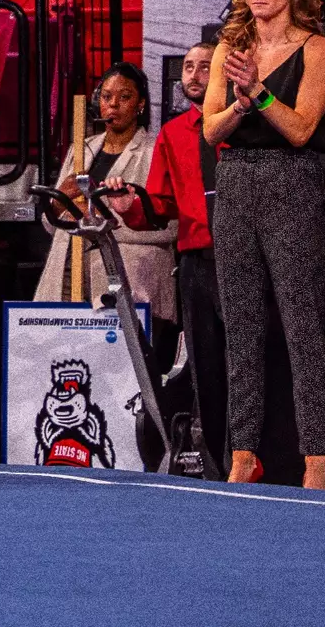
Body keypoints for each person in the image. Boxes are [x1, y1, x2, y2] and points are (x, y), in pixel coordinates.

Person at [202, 0, 325, 490]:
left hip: (291, 181)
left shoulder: (317, 49)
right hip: (235, 181)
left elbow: (302, 129)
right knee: (241, 325)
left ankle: (316, 460)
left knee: (302, 324)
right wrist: (239, 102)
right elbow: (210, 130)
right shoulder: (228, 49)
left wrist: (258, 92)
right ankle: (243, 454)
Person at [106, 40, 228, 472]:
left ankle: (248, 459)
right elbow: (159, 206)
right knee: (204, 369)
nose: (193, 74)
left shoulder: (241, 126)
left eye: (204, 66)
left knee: (246, 365)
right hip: (195, 262)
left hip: (243, 257)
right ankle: (215, 464)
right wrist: (129, 206)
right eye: (188, 67)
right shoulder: (174, 134)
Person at [34, 64, 179, 369]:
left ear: (140, 104)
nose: (113, 104)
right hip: (69, 271)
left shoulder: (156, 150)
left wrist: (106, 218)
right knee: (69, 365)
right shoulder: (82, 149)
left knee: (119, 372)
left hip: (128, 279)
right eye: (106, 96)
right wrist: (59, 200)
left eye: (124, 97)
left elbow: (171, 226)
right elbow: (53, 224)